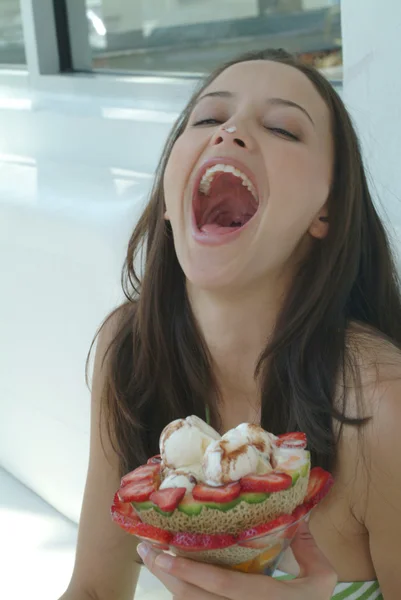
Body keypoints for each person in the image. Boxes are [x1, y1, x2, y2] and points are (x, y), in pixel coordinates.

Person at [60, 48, 401, 600]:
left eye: (283, 129)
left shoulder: (384, 407)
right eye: (207, 118)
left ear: (327, 212)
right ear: (171, 197)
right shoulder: (128, 351)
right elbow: (95, 591)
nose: (232, 131)